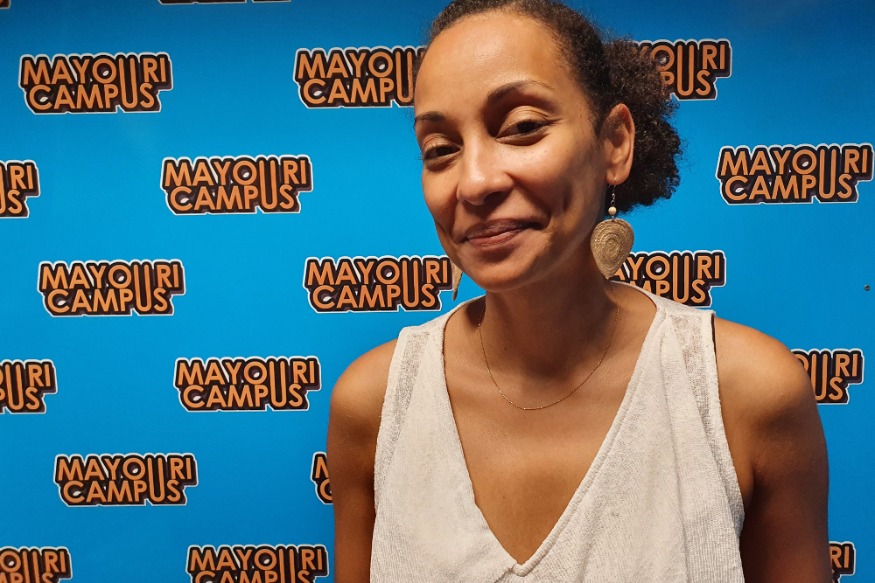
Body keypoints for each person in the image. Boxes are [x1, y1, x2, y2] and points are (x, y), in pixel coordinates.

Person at [327, 0, 829, 581]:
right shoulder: (373, 405)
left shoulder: (745, 395)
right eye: (440, 149)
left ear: (614, 143)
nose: (475, 181)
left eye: (522, 128)